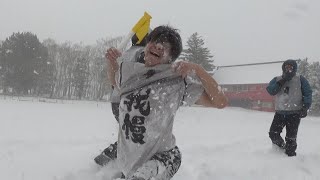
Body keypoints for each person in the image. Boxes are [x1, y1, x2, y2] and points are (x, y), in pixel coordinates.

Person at [106, 25, 228, 180]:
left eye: (166, 47)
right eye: (156, 41)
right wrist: (111, 62)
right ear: (147, 44)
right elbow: (116, 82)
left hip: (160, 159)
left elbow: (221, 101)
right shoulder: (130, 70)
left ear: (171, 58)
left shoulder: (176, 81)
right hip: (128, 160)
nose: (158, 46)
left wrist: (197, 69)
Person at [94, 33, 149, 166]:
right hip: (131, 102)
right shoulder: (143, 54)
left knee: (131, 135)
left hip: (116, 100)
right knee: (140, 136)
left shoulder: (125, 54)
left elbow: (114, 77)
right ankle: (121, 162)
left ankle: (108, 159)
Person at [266, 59, 312, 157]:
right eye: (286, 67)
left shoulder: (300, 79)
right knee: (273, 134)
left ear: (294, 68)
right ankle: (282, 148)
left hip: (294, 114)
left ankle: (290, 157)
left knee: (291, 138)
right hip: (280, 113)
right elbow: (271, 90)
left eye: (291, 67)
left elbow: (307, 93)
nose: (288, 69)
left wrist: (305, 107)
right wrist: (282, 80)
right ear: (283, 68)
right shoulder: (277, 79)